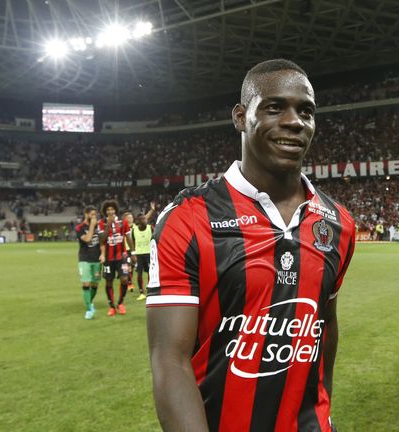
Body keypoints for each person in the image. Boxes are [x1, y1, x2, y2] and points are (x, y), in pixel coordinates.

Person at [146, 59, 356, 431]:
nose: (295, 121)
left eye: (306, 111)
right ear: (241, 117)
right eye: (275, 107)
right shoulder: (188, 220)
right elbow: (170, 361)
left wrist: (323, 412)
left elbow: (325, 325)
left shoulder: (338, 223)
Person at [98, 200, 135, 316]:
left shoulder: (123, 223)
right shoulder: (101, 223)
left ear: (115, 210)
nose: (110, 211)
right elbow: (102, 239)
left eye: (112, 209)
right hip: (109, 258)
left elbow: (128, 238)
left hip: (122, 257)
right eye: (108, 210)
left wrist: (133, 252)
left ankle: (120, 303)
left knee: (124, 279)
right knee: (109, 282)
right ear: (105, 211)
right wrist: (108, 224)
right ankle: (111, 307)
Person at [75, 205, 101, 320]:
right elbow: (87, 239)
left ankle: (89, 302)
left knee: (95, 284)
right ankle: (89, 309)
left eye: (95, 214)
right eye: (92, 214)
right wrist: (91, 226)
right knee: (86, 283)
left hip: (97, 259)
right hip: (84, 258)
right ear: (86, 214)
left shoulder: (99, 227)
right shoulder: (80, 228)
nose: (94, 217)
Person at [128, 203, 157, 301]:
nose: (145, 220)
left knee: (150, 272)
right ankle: (141, 292)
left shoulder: (150, 228)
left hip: (149, 254)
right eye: (142, 219)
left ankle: (150, 290)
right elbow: (133, 242)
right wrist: (133, 253)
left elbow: (155, 239)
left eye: (145, 218)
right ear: (138, 221)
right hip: (139, 254)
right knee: (139, 273)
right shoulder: (134, 230)